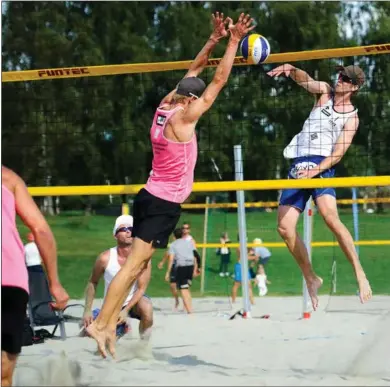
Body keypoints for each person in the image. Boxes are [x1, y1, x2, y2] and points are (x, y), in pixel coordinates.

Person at [86, 12, 255, 358]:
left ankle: (106, 322)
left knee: (137, 266)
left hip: (149, 196)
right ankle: (101, 323)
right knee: (134, 266)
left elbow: (194, 73)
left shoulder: (164, 106)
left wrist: (212, 39)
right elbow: (217, 82)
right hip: (164, 202)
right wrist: (234, 41)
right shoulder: (185, 117)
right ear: (191, 101)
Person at [267, 64, 372, 310]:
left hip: (321, 165)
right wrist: (292, 69)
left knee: (330, 217)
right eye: (340, 75)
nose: (339, 79)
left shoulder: (352, 117)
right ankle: (311, 277)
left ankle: (360, 273)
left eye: (345, 78)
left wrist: (314, 172)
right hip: (299, 163)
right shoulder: (324, 92)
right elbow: (306, 81)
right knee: (284, 227)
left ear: (355, 86)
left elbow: (337, 155)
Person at [1, 166, 69, 387]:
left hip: (9, 279)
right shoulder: (8, 177)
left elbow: (40, 231)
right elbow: (41, 229)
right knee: (4, 371)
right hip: (10, 279)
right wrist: (55, 283)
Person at [81, 215, 153, 340]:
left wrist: (126, 311)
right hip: (112, 303)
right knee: (90, 334)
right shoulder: (105, 258)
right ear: (115, 235)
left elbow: (141, 289)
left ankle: (143, 344)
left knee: (147, 308)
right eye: (123, 229)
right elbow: (93, 282)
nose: (128, 231)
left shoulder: (143, 258)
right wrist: (87, 310)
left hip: (134, 302)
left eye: (131, 228)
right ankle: (118, 327)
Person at [165, 228, 198, 314]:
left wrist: (168, 272)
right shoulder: (189, 243)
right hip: (190, 266)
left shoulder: (173, 245)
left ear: (174, 236)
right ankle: (190, 308)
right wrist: (196, 268)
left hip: (182, 267)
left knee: (183, 289)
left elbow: (171, 259)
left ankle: (189, 311)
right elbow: (195, 255)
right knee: (186, 288)